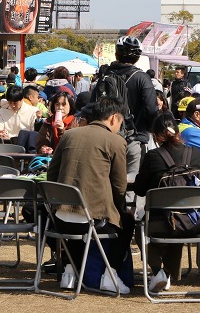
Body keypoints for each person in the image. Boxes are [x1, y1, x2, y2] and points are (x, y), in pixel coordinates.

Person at [47, 97, 133, 294]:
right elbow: (119, 185)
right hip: (92, 218)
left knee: (80, 223)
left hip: (59, 218)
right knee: (127, 223)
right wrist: (120, 209)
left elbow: (52, 175)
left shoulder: (68, 135)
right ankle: (110, 275)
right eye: (120, 121)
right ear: (113, 118)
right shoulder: (116, 141)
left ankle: (69, 270)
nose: (120, 126)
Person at [135, 112, 200, 292]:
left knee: (142, 227)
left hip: (161, 222)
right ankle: (167, 273)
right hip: (195, 222)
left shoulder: (153, 156)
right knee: (179, 226)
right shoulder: (195, 153)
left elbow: (140, 190)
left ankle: (159, 271)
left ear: (156, 135)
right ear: (178, 131)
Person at [91, 36, 157, 204]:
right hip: (133, 139)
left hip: (103, 138)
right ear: (137, 57)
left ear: (116, 54)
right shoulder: (142, 78)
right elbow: (151, 109)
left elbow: (92, 105)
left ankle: (107, 216)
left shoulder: (105, 75)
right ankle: (126, 220)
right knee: (131, 183)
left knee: (104, 179)